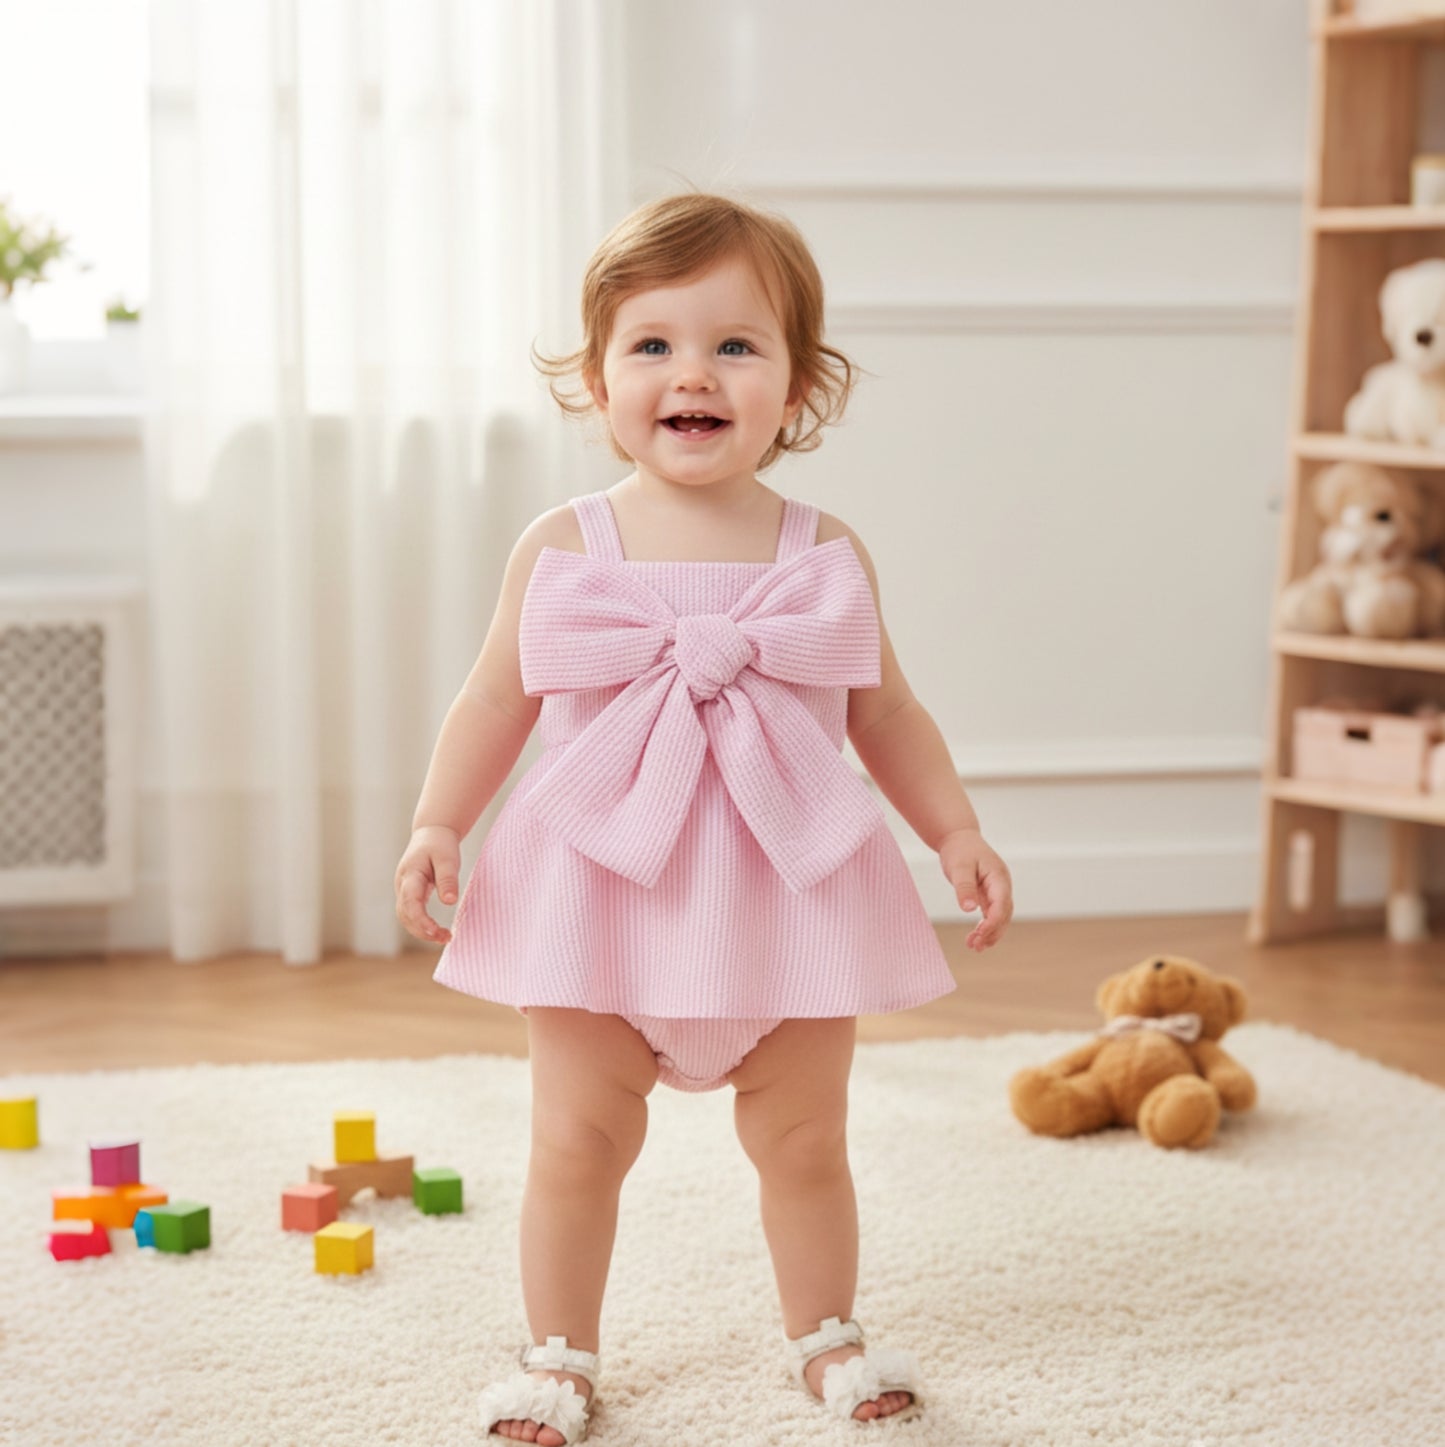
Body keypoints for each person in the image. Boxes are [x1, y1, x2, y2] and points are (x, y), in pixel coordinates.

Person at [395, 192, 1013, 1444]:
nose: (695, 373)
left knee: (804, 1141)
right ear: (596, 378)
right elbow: (495, 695)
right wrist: (439, 821)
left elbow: (883, 710)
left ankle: (825, 1333)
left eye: (736, 346)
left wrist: (951, 828)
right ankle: (558, 1354)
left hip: (784, 898)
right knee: (576, 1139)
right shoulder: (563, 543)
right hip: (596, 896)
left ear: (798, 387)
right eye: (654, 345)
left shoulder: (819, 546)